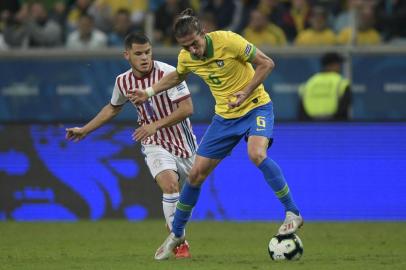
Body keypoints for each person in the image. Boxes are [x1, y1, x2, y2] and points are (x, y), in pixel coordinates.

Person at [130, 8, 303, 260]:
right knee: (196, 174)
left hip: (255, 106)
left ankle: (292, 212)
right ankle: (177, 234)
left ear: (204, 33)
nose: (193, 50)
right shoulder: (186, 57)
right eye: (186, 46)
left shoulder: (228, 41)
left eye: (195, 43)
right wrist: (148, 92)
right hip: (224, 117)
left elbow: (267, 64)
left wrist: (244, 92)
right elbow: (177, 76)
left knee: (256, 154)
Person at [65, 32, 197, 259]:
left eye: (147, 52)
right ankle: (179, 242)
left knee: (181, 202)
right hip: (153, 141)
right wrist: (85, 129)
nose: (144, 57)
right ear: (127, 55)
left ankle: (176, 234)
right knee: (169, 186)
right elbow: (113, 107)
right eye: (138, 53)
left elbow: (187, 109)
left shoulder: (169, 73)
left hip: (185, 145)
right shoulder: (122, 81)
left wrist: (156, 123)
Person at [298, 52, 351, 120]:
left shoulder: (310, 83)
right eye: (338, 64)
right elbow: (344, 109)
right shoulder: (341, 83)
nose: (339, 67)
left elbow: (301, 110)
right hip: (335, 126)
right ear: (332, 65)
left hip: (311, 126)